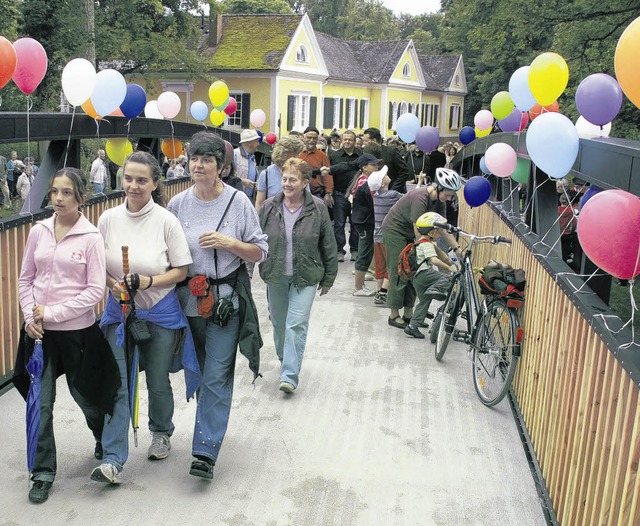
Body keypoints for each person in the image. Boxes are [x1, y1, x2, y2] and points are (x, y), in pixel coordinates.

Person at [168, 131, 268, 480]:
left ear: (222, 166)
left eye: (207, 160)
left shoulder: (239, 202)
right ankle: (199, 428)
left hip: (225, 301)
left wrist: (229, 243)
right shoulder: (177, 204)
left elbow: (260, 251)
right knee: (198, 368)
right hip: (189, 300)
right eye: (194, 158)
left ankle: (205, 451)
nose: (199, 165)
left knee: (217, 373)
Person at [94, 151, 195, 484]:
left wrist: (147, 281)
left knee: (156, 379)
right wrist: (114, 285)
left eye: (141, 180)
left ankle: (162, 432)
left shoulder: (166, 220)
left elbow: (181, 271)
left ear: (155, 183)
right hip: (119, 311)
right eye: (128, 178)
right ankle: (112, 458)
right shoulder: (107, 218)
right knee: (118, 384)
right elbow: (97, 267)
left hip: (160, 310)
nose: (133, 186)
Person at [17, 168, 111, 504]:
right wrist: (30, 315)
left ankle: (102, 435)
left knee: (85, 396)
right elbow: (25, 279)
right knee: (40, 405)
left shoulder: (91, 237)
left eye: (67, 192)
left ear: (81, 197)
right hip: (39, 336)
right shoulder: (37, 231)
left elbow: (94, 290)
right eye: (54, 191)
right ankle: (42, 473)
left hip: (76, 332)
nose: (58, 198)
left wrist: (53, 313)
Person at [258, 158, 337, 393]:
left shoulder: (317, 208)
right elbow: (256, 240)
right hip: (276, 275)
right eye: (284, 179)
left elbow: (328, 244)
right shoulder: (269, 207)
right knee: (280, 325)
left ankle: (290, 375)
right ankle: (286, 360)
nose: (287, 183)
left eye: (292, 179)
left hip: (306, 275)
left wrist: (329, 278)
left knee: (296, 324)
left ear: (304, 182)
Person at [382, 168, 463, 329]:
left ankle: (409, 313)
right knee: (399, 269)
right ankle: (393, 314)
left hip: (413, 233)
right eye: (447, 194)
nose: (448, 199)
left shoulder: (439, 202)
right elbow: (419, 233)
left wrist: (458, 250)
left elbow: (443, 228)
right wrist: (438, 254)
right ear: (438, 188)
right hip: (395, 230)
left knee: (415, 269)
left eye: (451, 196)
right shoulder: (420, 197)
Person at [404, 212, 455, 339]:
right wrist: (449, 268)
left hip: (416, 278)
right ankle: (435, 288)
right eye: (438, 232)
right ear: (431, 231)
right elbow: (433, 260)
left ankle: (413, 326)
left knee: (424, 302)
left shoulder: (419, 241)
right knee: (449, 278)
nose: (439, 234)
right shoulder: (426, 244)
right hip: (424, 274)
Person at [326, 129, 362, 262]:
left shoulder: (361, 156)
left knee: (356, 223)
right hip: (339, 194)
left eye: (350, 139)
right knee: (339, 224)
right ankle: (339, 251)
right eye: (345, 139)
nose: (347, 142)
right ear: (341, 140)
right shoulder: (334, 157)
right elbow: (329, 175)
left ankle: (355, 250)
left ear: (355, 141)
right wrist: (329, 192)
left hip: (357, 196)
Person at [370, 167, 403, 306]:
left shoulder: (377, 195)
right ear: (383, 184)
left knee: (380, 266)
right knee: (392, 265)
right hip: (387, 237)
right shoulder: (392, 195)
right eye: (384, 175)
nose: (387, 175)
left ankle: (378, 292)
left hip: (376, 236)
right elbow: (411, 197)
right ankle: (383, 292)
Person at [351, 154, 383, 297]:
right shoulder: (366, 182)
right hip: (365, 223)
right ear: (364, 167)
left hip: (364, 221)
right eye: (374, 165)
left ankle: (361, 284)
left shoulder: (363, 180)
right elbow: (373, 201)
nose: (377, 167)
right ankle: (358, 287)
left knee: (366, 252)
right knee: (364, 253)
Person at [255, 135, 305, 210]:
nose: (299, 156)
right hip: (272, 219)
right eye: (296, 153)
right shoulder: (266, 174)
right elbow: (259, 204)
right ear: (284, 153)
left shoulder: (301, 172)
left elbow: (307, 200)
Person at [363, 128, 412, 194]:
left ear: (374, 140)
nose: (363, 143)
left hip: (393, 193)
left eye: (366, 141)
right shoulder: (365, 154)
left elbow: (404, 171)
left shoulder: (391, 151)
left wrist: (393, 190)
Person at [299, 126, 333, 207]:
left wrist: (328, 193)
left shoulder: (322, 155)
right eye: (309, 137)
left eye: (314, 138)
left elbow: (327, 175)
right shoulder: (297, 153)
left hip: (317, 194)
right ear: (304, 138)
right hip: (299, 193)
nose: (312, 140)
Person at [234, 129, 261, 202]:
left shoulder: (252, 158)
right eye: (256, 141)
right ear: (249, 143)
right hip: (236, 199)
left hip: (249, 199)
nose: (258, 144)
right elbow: (226, 177)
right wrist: (242, 181)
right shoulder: (235, 154)